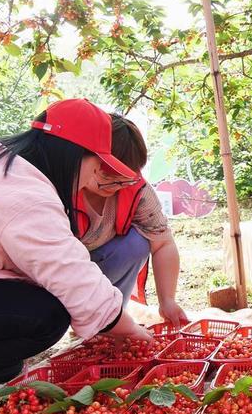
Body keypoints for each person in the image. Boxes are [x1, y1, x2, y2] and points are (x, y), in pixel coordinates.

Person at [0, 99, 153, 414]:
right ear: (73, 155)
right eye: (94, 166)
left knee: (5, 364)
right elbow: (71, 278)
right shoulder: (24, 195)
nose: (91, 179)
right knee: (46, 315)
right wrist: (129, 329)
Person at [77, 114, 188, 325]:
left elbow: (163, 243)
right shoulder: (58, 188)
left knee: (137, 243)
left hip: (104, 262)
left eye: (123, 181)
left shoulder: (138, 190)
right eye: (107, 178)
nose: (115, 186)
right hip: (59, 268)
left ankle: (110, 316)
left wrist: (167, 301)